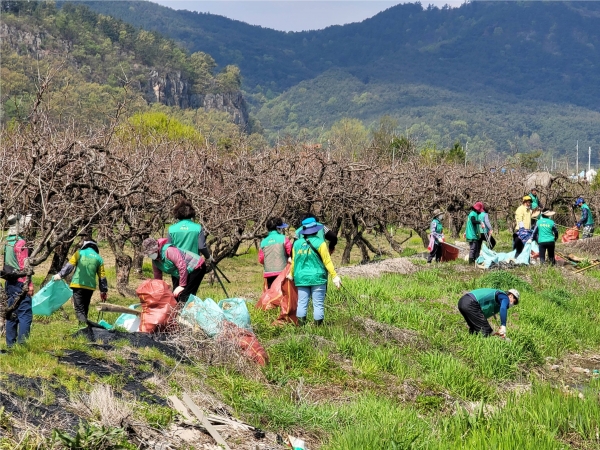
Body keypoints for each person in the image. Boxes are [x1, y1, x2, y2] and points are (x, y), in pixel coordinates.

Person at [288, 219, 341, 326]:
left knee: (302, 303)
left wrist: (291, 274)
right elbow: (327, 261)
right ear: (316, 231)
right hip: (318, 277)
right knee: (318, 304)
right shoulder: (321, 243)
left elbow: (294, 261)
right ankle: (317, 329)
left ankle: (301, 328)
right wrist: (334, 276)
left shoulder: (297, 244)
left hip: (301, 278)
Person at [54, 239, 108, 325]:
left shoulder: (79, 253)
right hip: (90, 287)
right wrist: (103, 291)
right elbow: (102, 277)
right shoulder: (99, 258)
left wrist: (60, 275)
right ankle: (85, 328)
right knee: (85, 307)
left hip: (78, 285)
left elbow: (69, 267)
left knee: (79, 308)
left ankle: (83, 329)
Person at [142, 237, 208, 304]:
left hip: (195, 267)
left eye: (151, 253)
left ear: (156, 249)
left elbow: (182, 266)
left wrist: (182, 286)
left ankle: (185, 313)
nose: (150, 255)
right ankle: (177, 312)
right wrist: (158, 293)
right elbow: (158, 279)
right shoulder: (155, 262)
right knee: (175, 296)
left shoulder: (169, 251)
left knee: (185, 296)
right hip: (179, 273)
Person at [2, 214, 33, 347]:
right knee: (25, 314)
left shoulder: (7, 242)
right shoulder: (21, 243)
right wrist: (29, 284)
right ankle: (22, 346)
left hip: (10, 282)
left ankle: (10, 345)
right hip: (21, 282)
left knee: (11, 312)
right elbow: (23, 265)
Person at [259, 217, 292, 289]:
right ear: (278, 228)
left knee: (272, 293)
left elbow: (261, 259)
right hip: (283, 272)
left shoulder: (263, 242)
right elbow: (291, 253)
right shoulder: (284, 238)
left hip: (268, 273)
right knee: (283, 293)